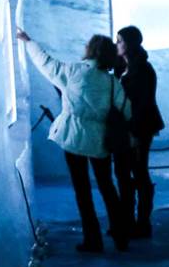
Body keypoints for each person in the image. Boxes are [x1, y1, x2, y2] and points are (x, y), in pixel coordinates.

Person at [17, 29, 131, 252]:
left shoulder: (72, 71)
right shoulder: (111, 83)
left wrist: (29, 42)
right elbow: (126, 110)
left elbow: (46, 63)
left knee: (82, 190)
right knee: (107, 186)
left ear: (90, 50)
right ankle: (120, 235)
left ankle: (93, 240)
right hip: (100, 140)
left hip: (74, 137)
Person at [113, 25, 165, 238]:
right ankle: (127, 221)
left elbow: (143, 103)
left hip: (140, 127)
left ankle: (143, 223)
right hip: (123, 128)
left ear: (130, 43)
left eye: (120, 40)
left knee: (139, 172)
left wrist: (133, 131)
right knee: (122, 173)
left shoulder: (144, 69)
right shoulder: (120, 67)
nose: (117, 44)